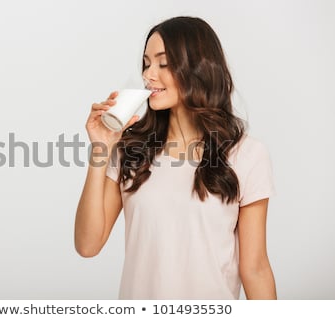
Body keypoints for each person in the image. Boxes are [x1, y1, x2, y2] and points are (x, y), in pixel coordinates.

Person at [75, 16, 277, 300]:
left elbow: (255, 268)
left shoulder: (246, 154)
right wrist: (100, 149)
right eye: (146, 63)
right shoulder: (129, 151)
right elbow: (87, 244)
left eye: (163, 63)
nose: (148, 75)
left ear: (198, 68)